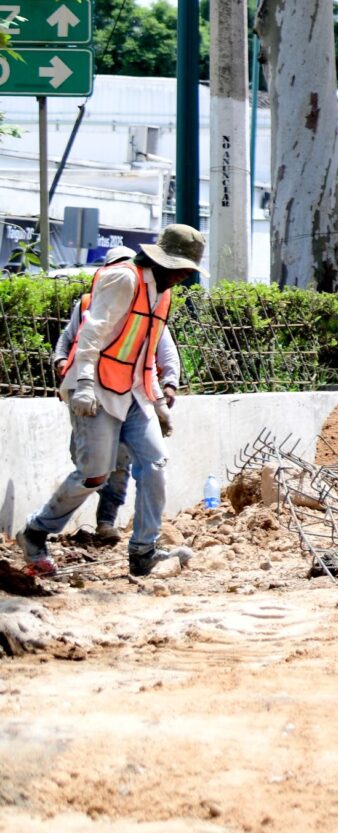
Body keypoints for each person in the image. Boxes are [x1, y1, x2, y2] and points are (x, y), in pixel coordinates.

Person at [18, 224, 203, 579]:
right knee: (94, 475)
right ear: (162, 261)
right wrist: (83, 383)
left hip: (132, 390)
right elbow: (91, 333)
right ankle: (36, 531)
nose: (182, 277)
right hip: (97, 387)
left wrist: (159, 402)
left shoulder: (161, 294)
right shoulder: (124, 279)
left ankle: (144, 551)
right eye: (180, 268)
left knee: (154, 465)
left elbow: (145, 353)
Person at [52, 246, 182, 549]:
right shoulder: (87, 303)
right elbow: (69, 340)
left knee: (122, 465)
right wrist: (68, 370)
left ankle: (106, 523)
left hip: (127, 397)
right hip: (92, 398)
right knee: (91, 467)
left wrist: (165, 393)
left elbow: (158, 353)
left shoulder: (149, 303)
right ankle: (43, 527)